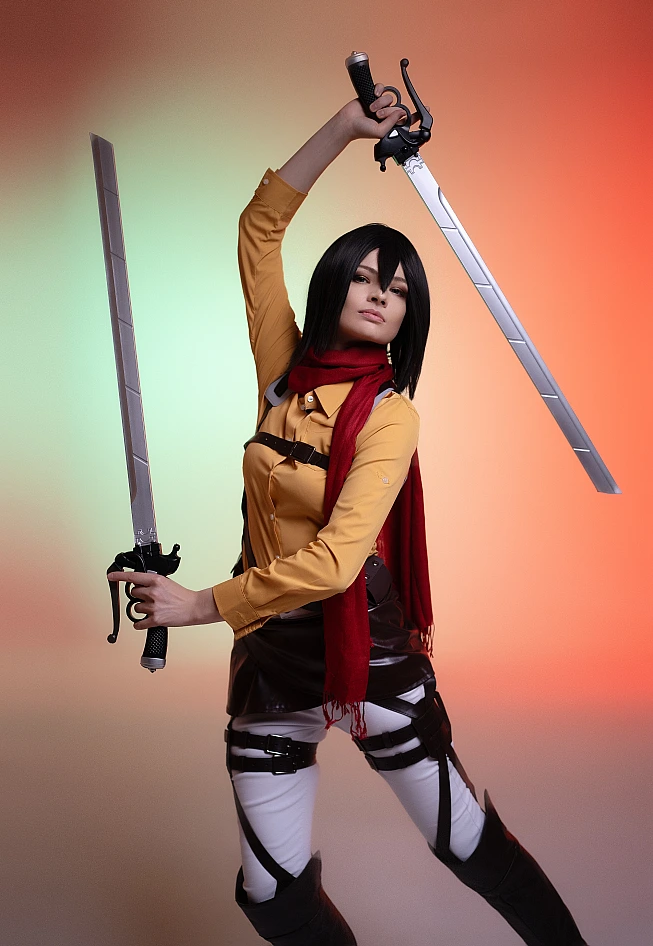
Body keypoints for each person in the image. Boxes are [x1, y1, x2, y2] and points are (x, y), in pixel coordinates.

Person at [109, 85, 589, 946]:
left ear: (408, 317)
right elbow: (259, 229)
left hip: (365, 651)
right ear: (334, 284)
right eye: (363, 276)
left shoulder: (393, 413)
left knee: (465, 841)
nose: (377, 293)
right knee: (269, 890)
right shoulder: (281, 372)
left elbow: (334, 562)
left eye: (396, 288)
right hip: (271, 659)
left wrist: (198, 605)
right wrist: (345, 126)